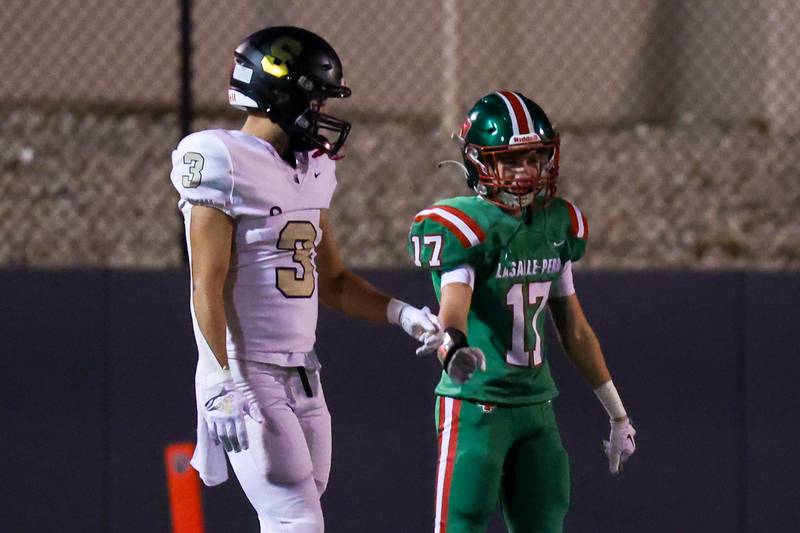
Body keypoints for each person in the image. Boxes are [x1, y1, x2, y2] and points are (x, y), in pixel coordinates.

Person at [169, 26, 451, 533]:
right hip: (247, 372)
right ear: (283, 94)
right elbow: (203, 285)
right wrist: (216, 381)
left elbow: (335, 280)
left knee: (297, 512)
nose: (323, 114)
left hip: (304, 373)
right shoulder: (221, 159)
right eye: (317, 99)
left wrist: (403, 315)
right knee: (296, 520)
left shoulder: (313, 168)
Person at [407, 91, 637, 533]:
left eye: (534, 158)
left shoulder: (554, 223)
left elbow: (575, 329)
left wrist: (618, 413)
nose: (526, 171)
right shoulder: (465, 225)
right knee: (461, 522)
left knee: (545, 520)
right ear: (478, 161)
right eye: (510, 160)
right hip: (477, 405)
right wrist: (452, 346)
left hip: (536, 406)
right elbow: (452, 309)